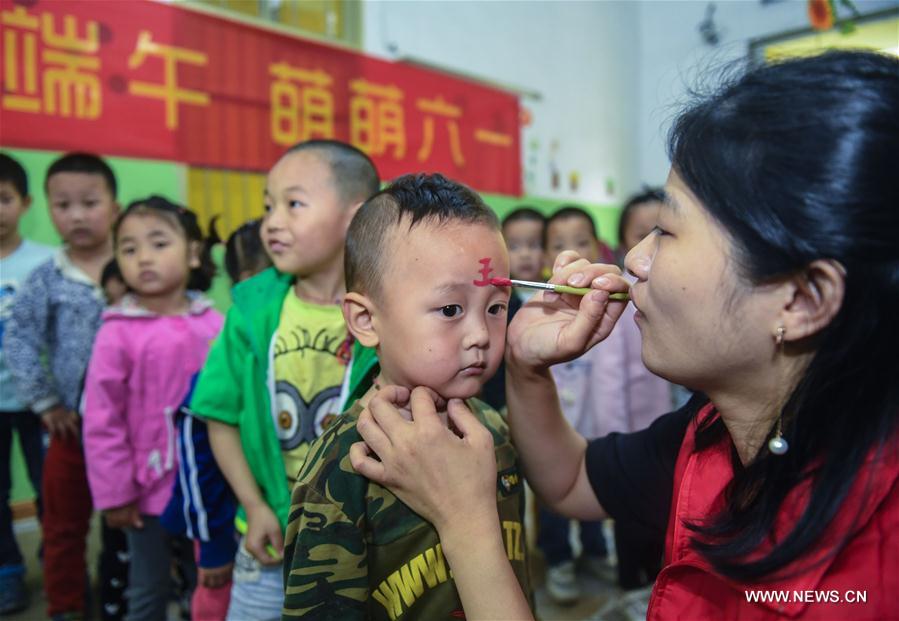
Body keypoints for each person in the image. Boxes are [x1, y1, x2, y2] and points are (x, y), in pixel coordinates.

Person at [349, 51, 899, 620]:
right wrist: (525, 363)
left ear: (802, 299)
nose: (633, 260)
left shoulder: (871, 582)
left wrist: (464, 521)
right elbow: (568, 481)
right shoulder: (713, 433)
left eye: (666, 230)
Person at [282, 173, 533, 619]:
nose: (480, 335)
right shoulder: (349, 462)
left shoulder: (490, 428)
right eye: (450, 310)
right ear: (364, 320)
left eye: (496, 308)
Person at [189, 140, 380, 621]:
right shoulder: (250, 312)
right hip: (268, 531)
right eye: (268, 206)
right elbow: (220, 418)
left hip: (362, 536)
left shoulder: (387, 311)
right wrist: (253, 505)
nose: (271, 222)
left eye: (293, 204)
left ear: (355, 217)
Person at [82, 196, 223, 621]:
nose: (143, 257)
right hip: (145, 494)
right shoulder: (116, 333)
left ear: (192, 252)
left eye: (158, 243)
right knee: (147, 587)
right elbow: (102, 421)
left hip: (208, 487)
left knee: (211, 579)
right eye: (129, 248)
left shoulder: (215, 325)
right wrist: (116, 493)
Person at [5, 152, 122, 621]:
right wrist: (45, 400)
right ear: (48, 208)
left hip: (131, 431)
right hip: (72, 429)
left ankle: (129, 599)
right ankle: (67, 606)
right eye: (63, 204)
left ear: (114, 207)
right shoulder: (47, 276)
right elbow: (19, 338)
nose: (76, 215)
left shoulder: (135, 265)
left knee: (130, 523)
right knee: (62, 525)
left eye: (90, 203)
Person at [538, 206, 670, 604]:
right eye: (559, 245)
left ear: (598, 246)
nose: (572, 251)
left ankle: (595, 552)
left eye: (582, 242)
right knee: (556, 500)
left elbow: (615, 377)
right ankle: (560, 560)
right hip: (560, 423)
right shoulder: (541, 301)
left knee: (593, 489)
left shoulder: (610, 296)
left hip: (601, 425)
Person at [160, 217, 273, 621]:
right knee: (213, 597)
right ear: (251, 281)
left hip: (255, 523)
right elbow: (197, 457)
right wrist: (212, 545)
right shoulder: (232, 350)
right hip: (219, 524)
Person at [0, 152, 54, 615]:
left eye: (4, 199)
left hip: (42, 403)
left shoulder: (46, 262)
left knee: (47, 487)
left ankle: (53, 560)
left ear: (25, 203)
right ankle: (8, 572)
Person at [480, 207, 545, 411]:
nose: (525, 254)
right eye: (514, 246)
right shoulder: (497, 302)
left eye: (534, 245)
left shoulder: (556, 298)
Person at [615, 187, 664, 265]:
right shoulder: (621, 276)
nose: (652, 242)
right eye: (642, 236)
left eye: (663, 233)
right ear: (623, 245)